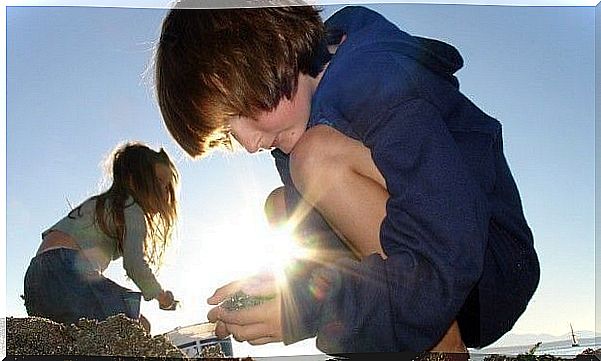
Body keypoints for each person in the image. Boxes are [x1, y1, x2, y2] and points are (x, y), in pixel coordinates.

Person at [154, 3, 540, 354]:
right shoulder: (294, 135)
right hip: (425, 284)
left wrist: (308, 310)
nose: (249, 143)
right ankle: (415, 334)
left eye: (241, 110)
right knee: (281, 204)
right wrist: (282, 292)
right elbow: (321, 248)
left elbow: (447, 244)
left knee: (314, 161)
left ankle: (443, 350)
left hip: (484, 267)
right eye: (227, 134)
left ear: (273, 47)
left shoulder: (377, 80)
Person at [23, 142, 180, 332]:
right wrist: (162, 296)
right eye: (159, 182)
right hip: (66, 270)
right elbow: (134, 264)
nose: (164, 191)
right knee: (136, 326)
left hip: (35, 279)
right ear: (133, 180)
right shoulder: (131, 207)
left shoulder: (100, 204)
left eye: (167, 186)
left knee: (72, 337)